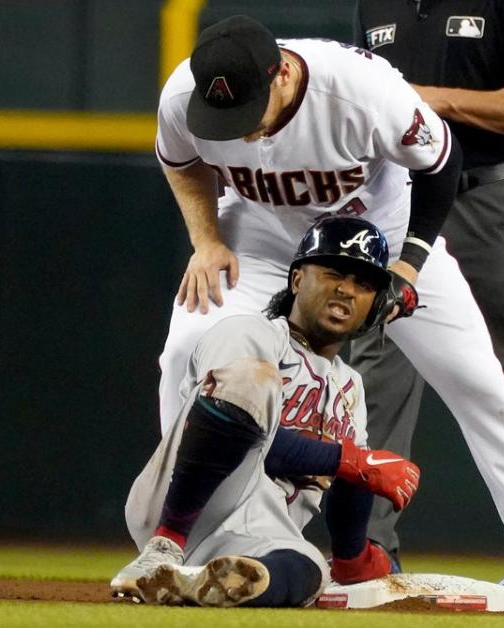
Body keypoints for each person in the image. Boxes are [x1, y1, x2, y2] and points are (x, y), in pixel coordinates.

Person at [151, 13, 504, 613]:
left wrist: (408, 267)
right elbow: (182, 164)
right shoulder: (185, 94)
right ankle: (185, 548)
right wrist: (206, 240)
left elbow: (441, 164)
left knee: (483, 385)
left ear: (282, 72)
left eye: (249, 108)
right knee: (184, 352)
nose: (240, 130)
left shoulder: (360, 89)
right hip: (259, 235)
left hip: (376, 237)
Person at [352, 0, 504, 597]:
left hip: (484, 200)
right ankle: (368, 555)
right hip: (400, 204)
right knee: (376, 373)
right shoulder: (376, 4)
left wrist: (433, 99)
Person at [111, 217, 421, 606]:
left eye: (364, 284)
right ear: (296, 281)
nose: (346, 289)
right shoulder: (249, 332)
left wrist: (352, 556)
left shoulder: (349, 387)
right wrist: (350, 459)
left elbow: (351, 480)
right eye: (333, 273)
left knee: (309, 568)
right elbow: (244, 441)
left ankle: (208, 589)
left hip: (263, 531)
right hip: (188, 501)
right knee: (250, 380)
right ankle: (164, 549)